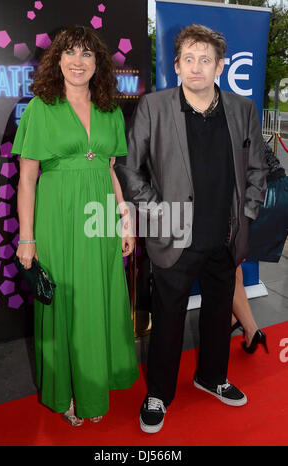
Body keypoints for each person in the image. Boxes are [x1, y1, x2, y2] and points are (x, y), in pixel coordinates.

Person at [115, 24, 268, 434]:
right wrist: (156, 212)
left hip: (226, 235)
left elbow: (257, 169)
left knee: (219, 315)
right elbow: (130, 168)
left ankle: (212, 376)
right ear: (177, 64)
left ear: (220, 66)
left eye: (206, 59)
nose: (196, 67)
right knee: (167, 320)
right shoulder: (154, 107)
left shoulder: (243, 110)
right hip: (173, 236)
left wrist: (248, 213)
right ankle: (159, 394)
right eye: (188, 59)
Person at [12, 25, 138, 426]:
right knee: (65, 304)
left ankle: (91, 387)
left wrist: (124, 220)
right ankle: (65, 391)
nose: (78, 61)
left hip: (98, 218)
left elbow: (111, 170)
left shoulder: (110, 109)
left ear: (97, 63)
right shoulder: (39, 107)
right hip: (56, 219)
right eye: (70, 53)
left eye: (87, 54)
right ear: (58, 61)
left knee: (96, 301)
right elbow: (27, 179)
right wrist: (27, 238)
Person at [231, 140, 287, 353]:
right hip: (280, 187)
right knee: (233, 260)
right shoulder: (242, 112)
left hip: (258, 196)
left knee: (223, 264)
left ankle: (252, 328)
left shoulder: (215, 117)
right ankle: (235, 318)